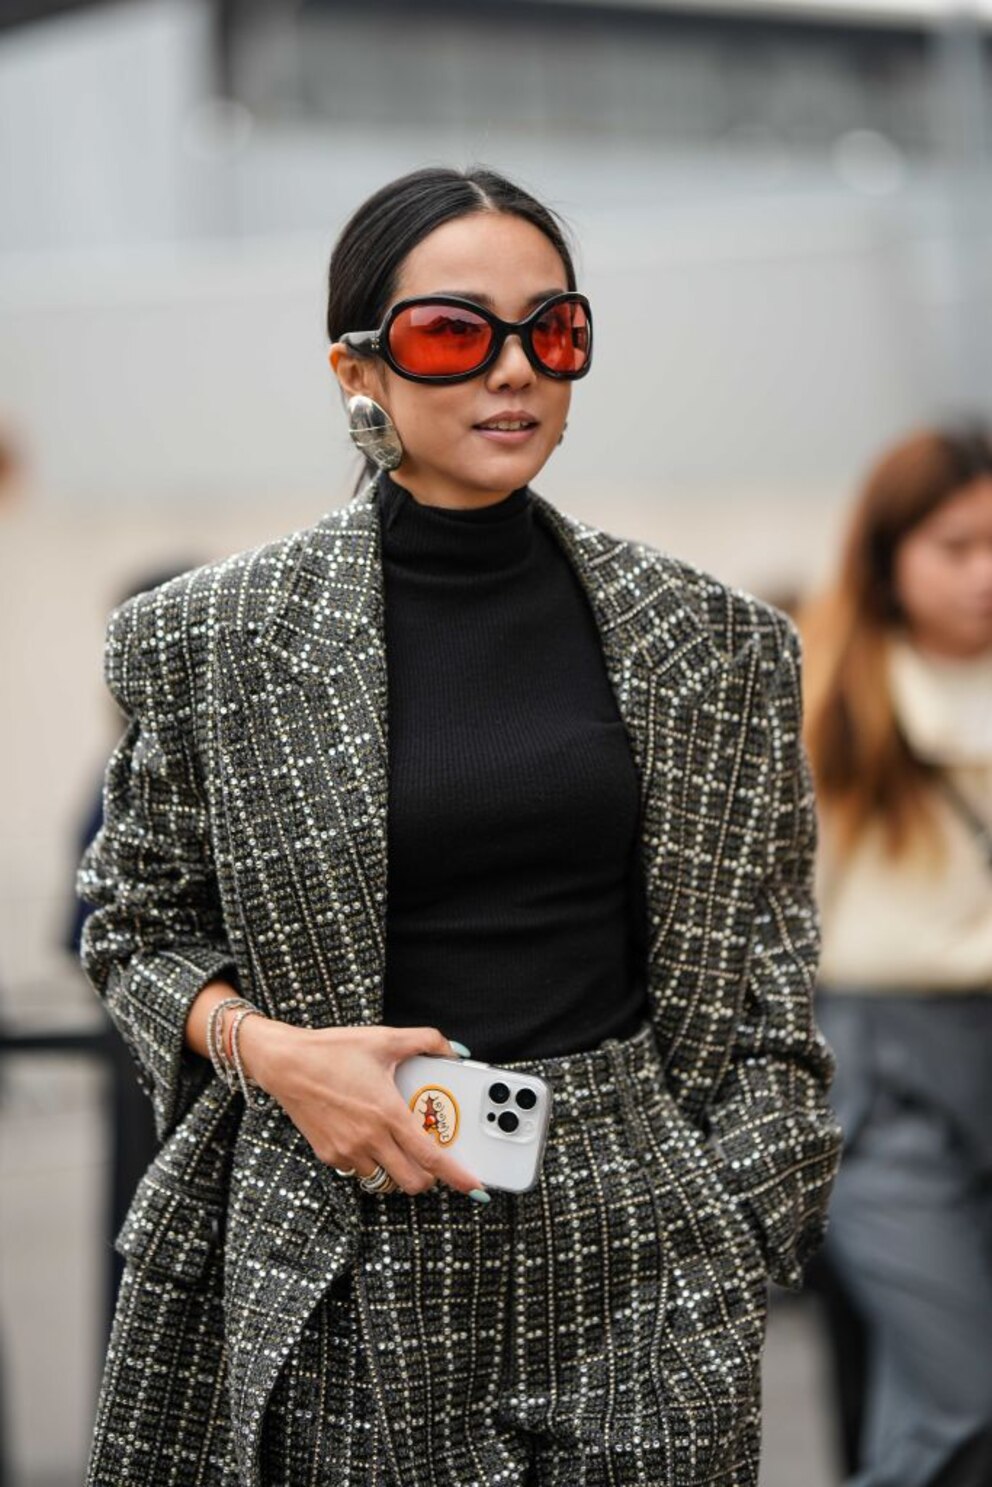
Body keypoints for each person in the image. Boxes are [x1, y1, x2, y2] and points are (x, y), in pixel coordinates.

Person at [77, 166, 840, 1487]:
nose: (514, 371)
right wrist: (274, 1054)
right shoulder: (209, 635)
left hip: (640, 1240)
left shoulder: (719, 640)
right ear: (357, 365)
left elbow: (772, 973)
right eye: (453, 331)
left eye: (554, 331)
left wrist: (736, 1219)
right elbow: (133, 924)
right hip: (337, 1227)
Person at [799, 425, 992, 1487]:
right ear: (888, 555)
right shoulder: (827, 699)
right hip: (877, 1066)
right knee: (958, 1391)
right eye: (954, 545)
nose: (983, 573)